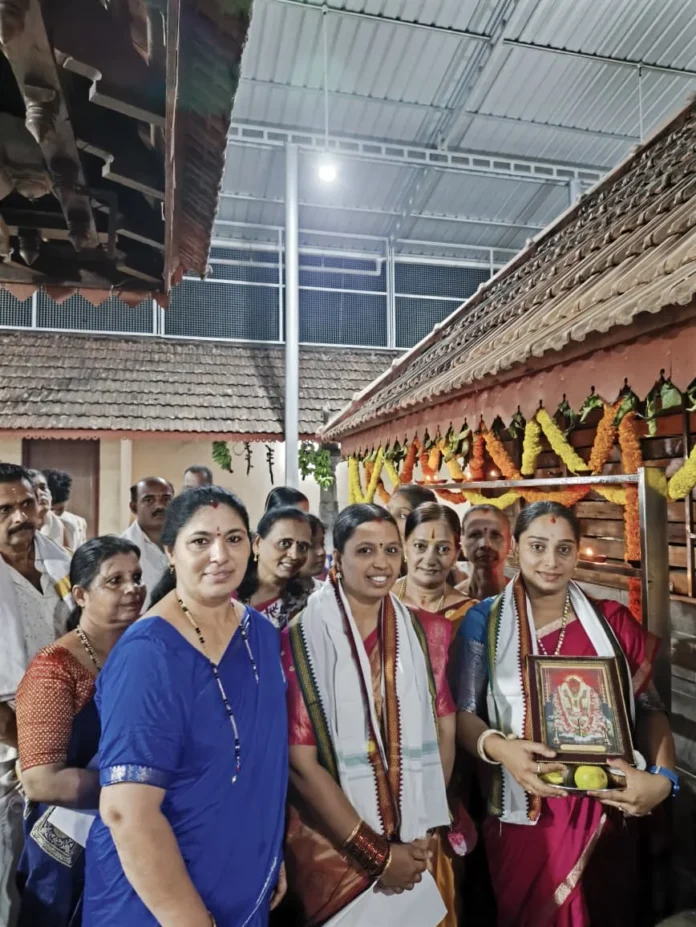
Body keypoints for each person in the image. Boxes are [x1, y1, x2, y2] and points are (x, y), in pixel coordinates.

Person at [456, 501, 678, 927]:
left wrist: (663, 780)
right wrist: (501, 750)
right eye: (538, 546)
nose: (551, 561)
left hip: (608, 808)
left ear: (577, 552)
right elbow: (464, 715)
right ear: (516, 549)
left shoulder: (611, 622)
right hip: (527, 814)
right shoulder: (484, 624)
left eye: (563, 549)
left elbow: (650, 709)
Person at [82, 486, 289, 926]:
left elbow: (259, 760)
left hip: (241, 875)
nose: (220, 555)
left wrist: (270, 846)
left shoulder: (260, 634)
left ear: (253, 546)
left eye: (234, 539)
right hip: (156, 900)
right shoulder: (148, 655)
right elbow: (126, 811)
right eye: (200, 541)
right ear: (169, 553)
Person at [281, 503, 456, 926]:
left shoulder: (426, 631)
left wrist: (419, 831)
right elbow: (300, 765)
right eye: (365, 551)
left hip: (414, 842)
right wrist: (377, 856)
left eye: (391, 550)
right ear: (337, 559)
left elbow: (444, 733)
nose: (381, 563)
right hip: (333, 848)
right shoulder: (299, 640)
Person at [15, 536, 144, 927]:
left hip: (139, 832)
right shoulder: (54, 668)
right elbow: (40, 781)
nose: (132, 589)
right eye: (115, 580)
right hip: (72, 844)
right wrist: (136, 790)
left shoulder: (147, 653)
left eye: (137, 577)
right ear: (81, 595)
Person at [0, 463, 74, 927]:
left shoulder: (62, 563)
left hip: (67, 749)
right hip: (9, 756)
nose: (19, 517)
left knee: (55, 883)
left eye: (27, 504)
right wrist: (35, 753)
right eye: (4, 509)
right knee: (7, 883)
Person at [394, 502, 477, 638]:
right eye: (420, 546)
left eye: (443, 548)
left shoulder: (468, 613)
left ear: (456, 554)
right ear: (405, 547)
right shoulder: (378, 601)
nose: (430, 559)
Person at [237, 506, 312, 630]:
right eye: (284, 543)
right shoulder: (226, 593)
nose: (295, 555)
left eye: (303, 547)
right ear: (257, 544)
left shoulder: (308, 605)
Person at [121, 477, 173, 611]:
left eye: (166, 499)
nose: (160, 506)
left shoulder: (189, 541)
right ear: (134, 507)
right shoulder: (120, 550)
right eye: (149, 500)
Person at [457, 504, 511, 600]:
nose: (485, 544)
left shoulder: (528, 599)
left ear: (510, 542)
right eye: (475, 535)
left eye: (495, 535)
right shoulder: (450, 602)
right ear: (461, 541)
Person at [43, 470, 88, 551]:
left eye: (60, 509)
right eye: (51, 510)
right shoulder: (33, 526)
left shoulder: (78, 523)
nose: (55, 514)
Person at [27, 470, 67, 548]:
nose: (41, 493)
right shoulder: (16, 527)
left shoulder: (66, 527)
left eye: (43, 488)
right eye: (33, 489)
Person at [299, 514, 326, 588]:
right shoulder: (275, 593)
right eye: (311, 545)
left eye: (322, 544)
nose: (321, 552)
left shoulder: (328, 591)